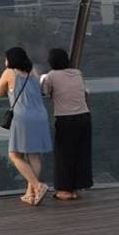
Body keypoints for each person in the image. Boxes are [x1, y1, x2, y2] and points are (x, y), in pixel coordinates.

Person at [0, 48, 52, 206]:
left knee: (14, 155)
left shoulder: (9, 72)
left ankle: (37, 185)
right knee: (33, 155)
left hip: (23, 118)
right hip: (40, 115)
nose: (5, 61)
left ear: (11, 60)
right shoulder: (33, 71)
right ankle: (31, 193)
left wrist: (5, 85)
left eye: (6, 58)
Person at [38, 48, 92, 202]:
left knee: (64, 155)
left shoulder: (52, 76)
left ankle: (64, 190)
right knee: (80, 153)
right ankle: (76, 187)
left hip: (66, 119)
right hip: (84, 117)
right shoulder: (77, 73)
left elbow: (46, 93)